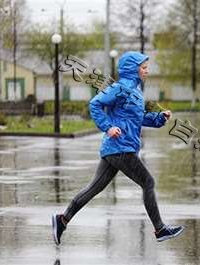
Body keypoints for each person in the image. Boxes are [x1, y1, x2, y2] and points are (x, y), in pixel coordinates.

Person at [51, 51, 184, 245]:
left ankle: (62, 220)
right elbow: (94, 104)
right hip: (120, 147)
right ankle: (160, 229)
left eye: (147, 67)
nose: (147, 71)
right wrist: (108, 127)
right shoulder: (119, 88)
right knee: (148, 182)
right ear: (133, 69)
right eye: (144, 68)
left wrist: (159, 118)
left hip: (117, 149)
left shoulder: (136, 92)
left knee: (94, 188)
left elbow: (138, 119)